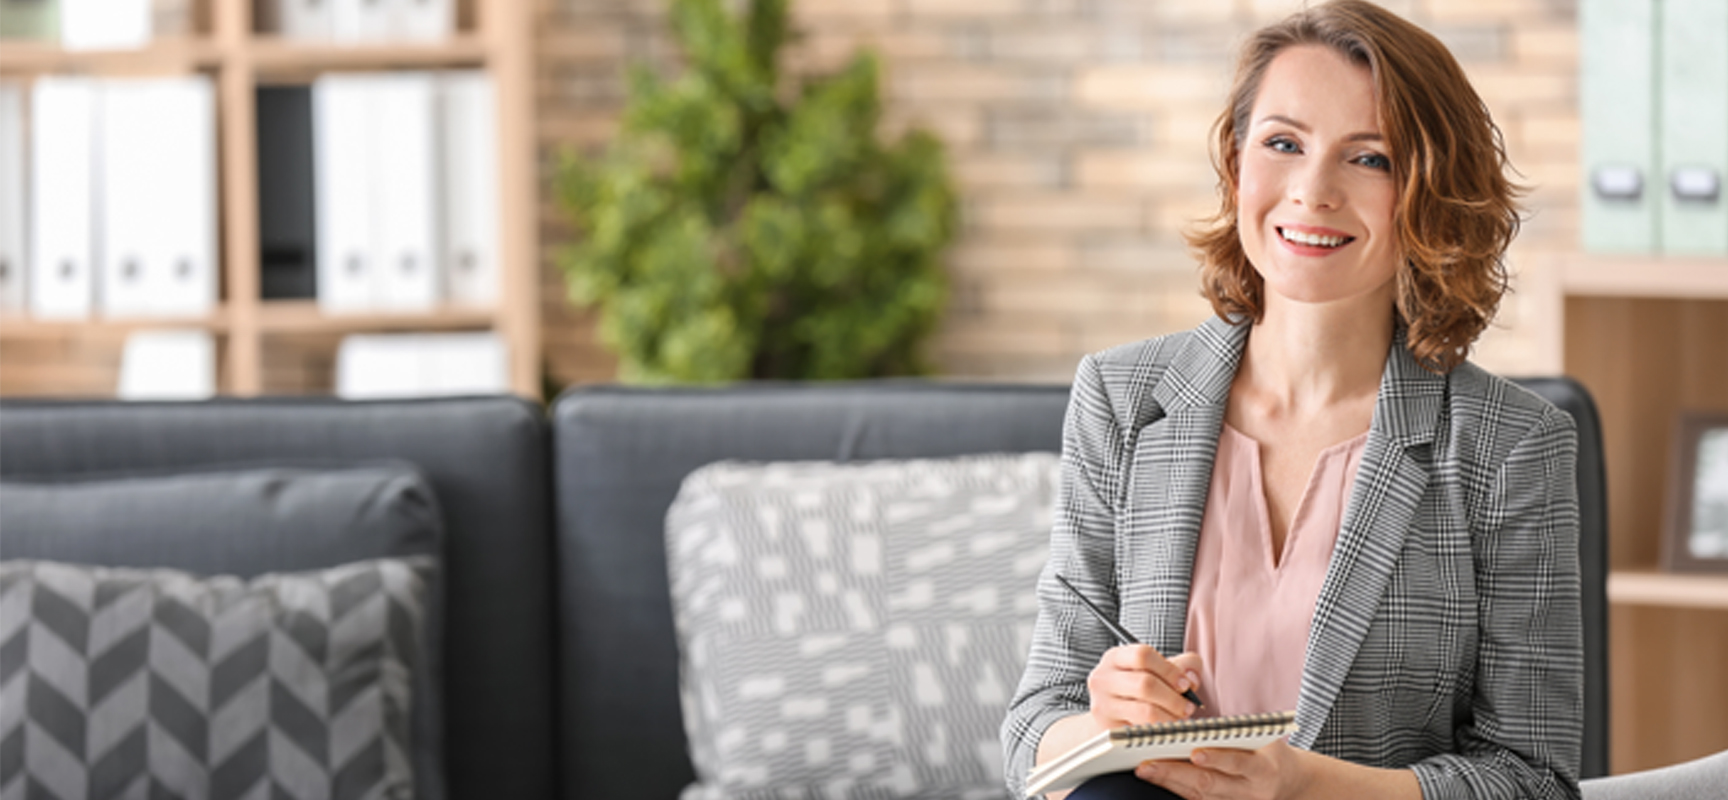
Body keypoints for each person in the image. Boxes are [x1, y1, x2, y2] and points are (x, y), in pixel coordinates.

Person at [1000, 1, 1583, 799]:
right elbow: (1035, 725)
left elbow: (1532, 780)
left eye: (1369, 159)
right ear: (1238, 163)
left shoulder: (1512, 445)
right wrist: (1103, 722)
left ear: (1429, 191)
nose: (1313, 192)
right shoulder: (1122, 400)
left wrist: (1308, 786)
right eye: (1283, 143)